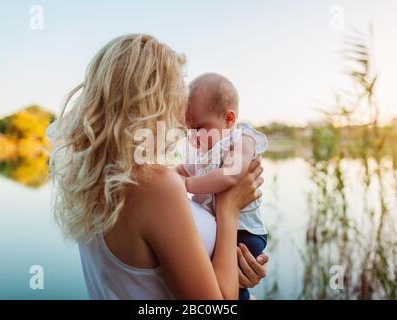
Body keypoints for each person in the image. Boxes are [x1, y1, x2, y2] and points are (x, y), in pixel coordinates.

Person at [47, 34, 268, 299]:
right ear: (155, 102)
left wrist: (234, 269)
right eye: (177, 94)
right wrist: (229, 208)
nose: (179, 114)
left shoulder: (94, 180)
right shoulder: (154, 185)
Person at [176, 73, 268, 300]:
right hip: (223, 228)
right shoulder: (202, 151)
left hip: (244, 233)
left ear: (228, 118)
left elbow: (229, 175)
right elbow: (182, 170)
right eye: (189, 130)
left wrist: (186, 184)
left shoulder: (241, 140)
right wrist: (169, 178)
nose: (193, 137)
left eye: (199, 128)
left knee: (234, 286)